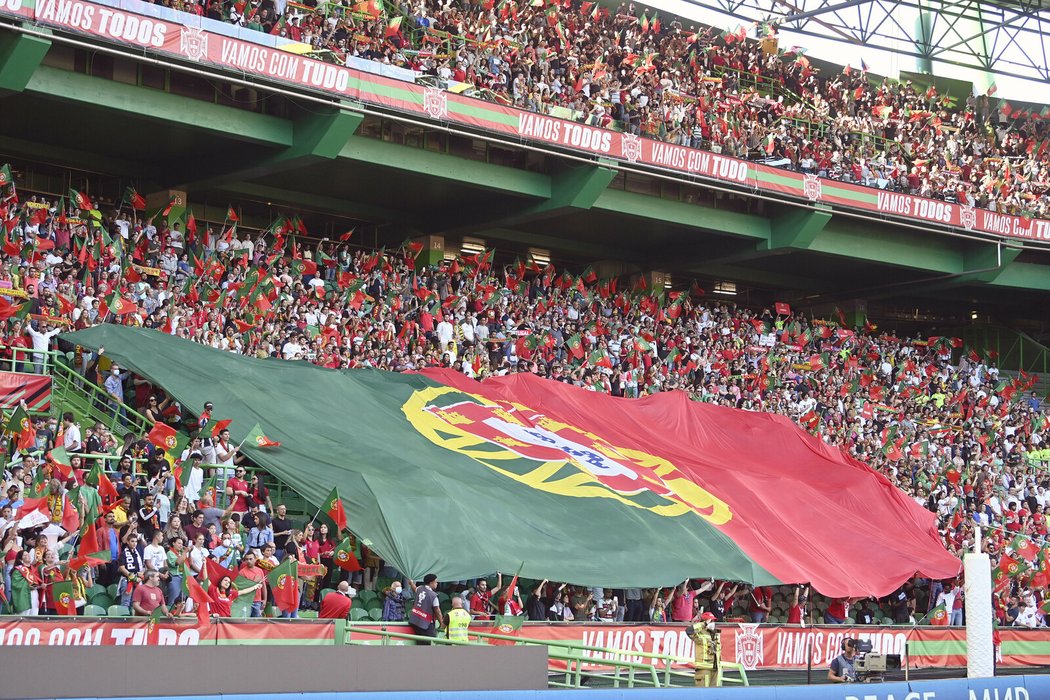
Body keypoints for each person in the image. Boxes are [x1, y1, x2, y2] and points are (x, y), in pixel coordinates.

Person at [686, 612, 721, 687]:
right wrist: (704, 624)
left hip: (716, 670)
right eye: (711, 621)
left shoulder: (715, 634)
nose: (713, 623)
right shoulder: (699, 634)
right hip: (703, 669)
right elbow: (689, 631)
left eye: (713, 621)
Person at [408, 573, 443, 643]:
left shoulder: (420, 588)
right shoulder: (433, 595)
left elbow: (415, 588)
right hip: (426, 625)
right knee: (430, 645)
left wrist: (411, 583)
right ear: (431, 582)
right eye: (436, 582)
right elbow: (437, 611)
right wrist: (442, 624)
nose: (437, 584)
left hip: (415, 621)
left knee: (420, 644)